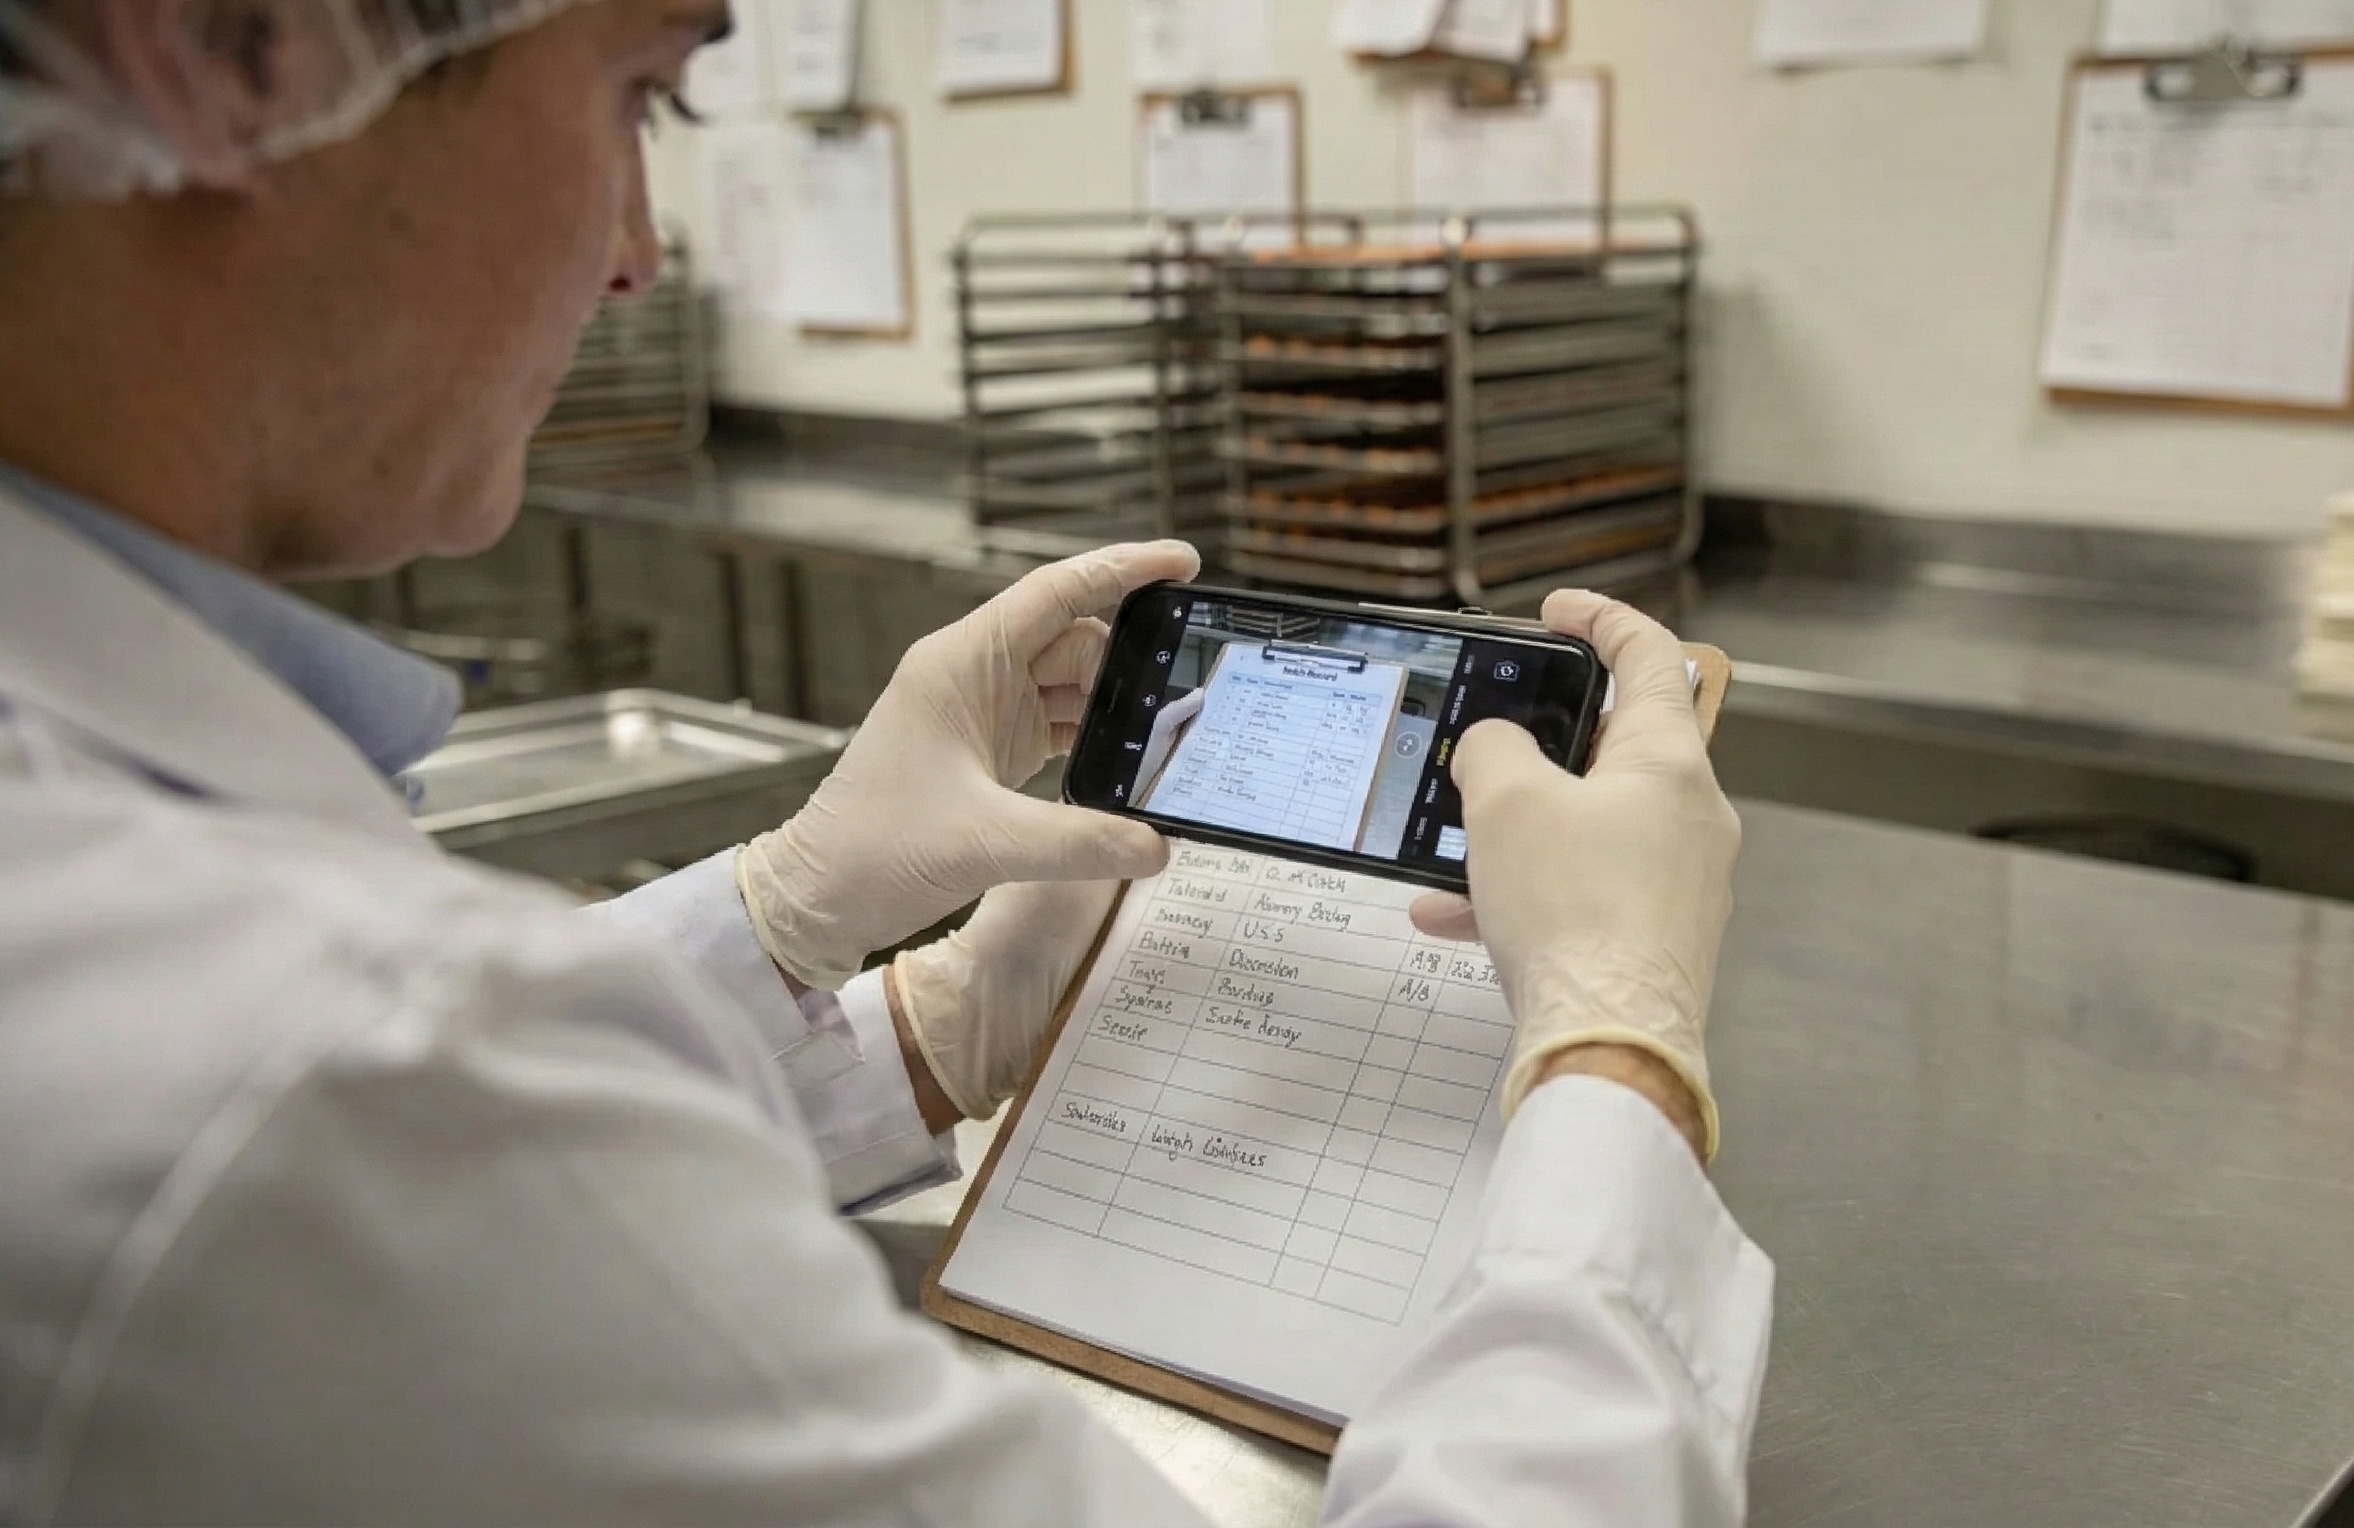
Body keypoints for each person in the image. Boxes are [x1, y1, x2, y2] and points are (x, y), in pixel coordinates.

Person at [0, 2, 1772, 1523]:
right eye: (643, 96)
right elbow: (421, 1138)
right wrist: (1617, 1046)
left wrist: (882, 1003)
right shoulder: (321, 1073)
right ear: (223, 48)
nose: (639, 248)